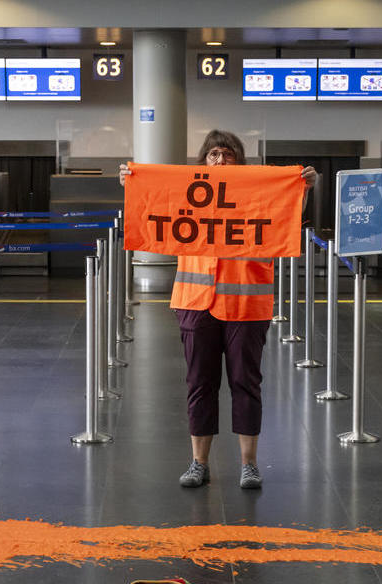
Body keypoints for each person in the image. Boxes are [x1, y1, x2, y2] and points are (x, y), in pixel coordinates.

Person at [119, 131, 316, 490]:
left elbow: (283, 219)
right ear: (202, 161)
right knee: (200, 384)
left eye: (227, 154)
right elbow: (153, 208)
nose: (220, 160)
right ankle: (198, 462)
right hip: (196, 302)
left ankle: (249, 464)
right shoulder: (187, 196)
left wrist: (302, 190)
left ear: (240, 162)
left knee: (246, 384)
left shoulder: (258, 195)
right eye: (212, 154)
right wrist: (132, 186)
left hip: (246, 304)